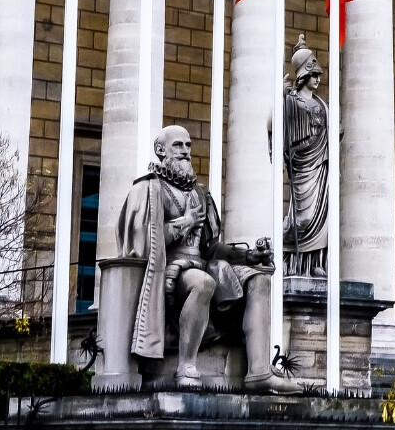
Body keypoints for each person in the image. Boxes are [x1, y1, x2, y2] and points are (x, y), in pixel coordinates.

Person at [111, 125, 282, 389]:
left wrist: (248, 256)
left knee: (258, 280)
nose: (185, 152)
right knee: (203, 283)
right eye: (178, 145)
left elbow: (211, 248)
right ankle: (186, 366)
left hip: (203, 264)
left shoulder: (201, 193)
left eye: (188, 146)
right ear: (160, 150)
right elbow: (142, 241)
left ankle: (259, 372)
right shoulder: (148, 189)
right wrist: (184, 222)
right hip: (169, 270)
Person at [284, 36, 331, 277]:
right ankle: (283, 252)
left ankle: (315, 264)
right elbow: (275, 125)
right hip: (303, 165)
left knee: (322, 217)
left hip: (321, 164)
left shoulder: (322, 104)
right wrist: (280, 99)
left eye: (319, 76)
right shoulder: (291, 100)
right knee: (303, 218)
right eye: (314, 76)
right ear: (304, 75)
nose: (318, 80)